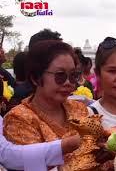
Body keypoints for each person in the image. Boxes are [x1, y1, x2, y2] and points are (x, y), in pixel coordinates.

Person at [3, 40, 89, 168]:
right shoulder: (19, 119)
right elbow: (33, 165)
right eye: (60, 75)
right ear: (35, 78)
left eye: (73, 75)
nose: (68, 83)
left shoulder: (79, 108)